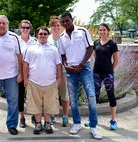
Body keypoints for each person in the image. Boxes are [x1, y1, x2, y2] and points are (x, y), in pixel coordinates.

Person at [58, 12, 102, 140]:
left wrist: (81, 65)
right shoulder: (61, 37)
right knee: (73, 98)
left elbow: (90, 48)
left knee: (91, 96)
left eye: (67, 20)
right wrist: (66, 66)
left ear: (72, 20)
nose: (65, 23)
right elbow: (62, 55)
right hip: (71, 71)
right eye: (63, 22)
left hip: (85, 69)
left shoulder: (82, 31)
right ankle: (76, 123)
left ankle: (93, 126)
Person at [23, 26, 62, 134]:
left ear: (48, 35)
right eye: (41, 34)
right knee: (35, 104)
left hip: (50, 82)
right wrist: (25, 79)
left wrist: (59, 79)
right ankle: (38, 123)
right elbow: (25, 64)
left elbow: (58, 65)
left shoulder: (53, 49)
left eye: (45, 34)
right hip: (34, 82)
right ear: (37, 35)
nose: (43, 35)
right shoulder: (30, 48)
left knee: (49, 104)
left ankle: (48, 123)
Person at [84, 23, 119, 130]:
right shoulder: (96, 43)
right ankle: (92, 119)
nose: (102, 32)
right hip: (96, 74)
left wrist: (110, 72)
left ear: (108, 31)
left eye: (104, 30)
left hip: (108, 74)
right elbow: (95, 57)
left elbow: (116, 61)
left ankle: (113, 120)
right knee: (94, 96)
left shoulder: (112, 44)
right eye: (100, 30)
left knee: (111, 95)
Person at [48, 15, 69, 127]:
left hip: (64, 71)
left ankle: (65, 116)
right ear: (50, 27)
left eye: (58, 25)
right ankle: (52, 115)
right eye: (54, 25)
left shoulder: (64, 38)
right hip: (51, 72)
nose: (56, 27)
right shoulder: (48, 39)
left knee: (64, 95)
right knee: (52, 95)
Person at [18, 20, 37, 128]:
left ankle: (34, 115)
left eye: (27, 28)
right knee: (20, 95)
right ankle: (21, 117)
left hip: (32, 73)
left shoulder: (34, 41)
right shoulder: (15, 40)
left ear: (30, 29)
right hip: (19, 73)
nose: (25, 29)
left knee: (33, 96)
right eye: (23, 27)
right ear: (20, 28)